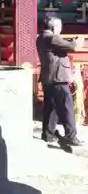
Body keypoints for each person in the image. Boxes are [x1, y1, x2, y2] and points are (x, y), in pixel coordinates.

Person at [36, 16, 84, 146]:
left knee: (51, 107)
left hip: (48, 77)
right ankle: (71, 136)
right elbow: (72, 47)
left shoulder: (41, 38)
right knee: (66, 107)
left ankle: (48, 134)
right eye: (60, 27)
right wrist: (79, 40)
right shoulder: (52, 38)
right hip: (59, 78)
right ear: (54, 27)